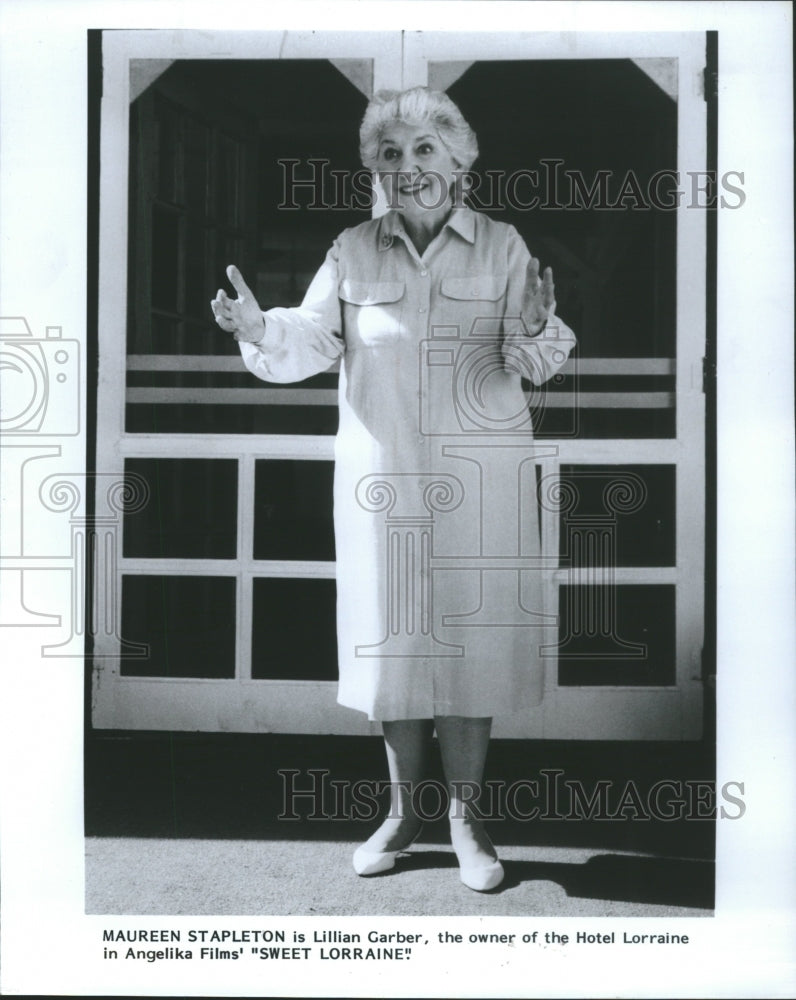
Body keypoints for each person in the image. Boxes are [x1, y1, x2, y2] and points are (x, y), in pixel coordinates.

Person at [211, 87, 576, 892]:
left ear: (457, 162)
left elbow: (533, 361)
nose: (407, 167)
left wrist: (539, 329)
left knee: (471, 644)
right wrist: (257, 328)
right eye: (390, 152)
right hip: (384, 477)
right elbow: (309, 338)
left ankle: (467, 820)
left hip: (482, 478)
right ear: (375, 167)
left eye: (423, 151)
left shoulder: (503, 246)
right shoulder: (352, 248)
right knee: (394, 640)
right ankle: (404, 813)